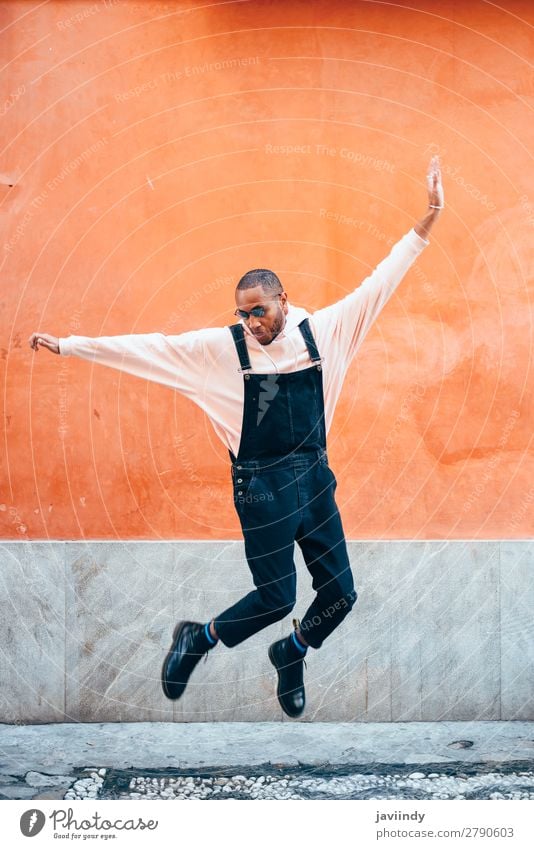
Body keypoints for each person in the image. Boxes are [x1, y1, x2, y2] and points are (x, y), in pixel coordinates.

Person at [28, 156, 444, 717]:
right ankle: (196, 639)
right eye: (244, 313)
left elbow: (382, 280)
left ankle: (291, 652)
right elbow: (151, 348)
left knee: (341, 594)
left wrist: (430, 217)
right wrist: (73, 345)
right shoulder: (220, 350)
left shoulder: (327, 331)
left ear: (284, 301)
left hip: (315, 479)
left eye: (260, 311)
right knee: (278, 596)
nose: (252, 322)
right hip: (262, 488)